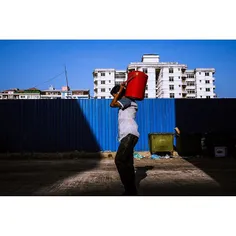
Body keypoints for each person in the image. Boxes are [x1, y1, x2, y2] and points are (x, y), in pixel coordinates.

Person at [110, 83, 140, 196]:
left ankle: (129, 189)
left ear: (120, 93)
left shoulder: (127, 101)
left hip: (129, 134)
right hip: (129, 135)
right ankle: (131, 191)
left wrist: (121, 89)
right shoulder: (127, 102)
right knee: (128, 164)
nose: (114, 98)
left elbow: (112, 104)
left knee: (119, 160)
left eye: (115, 95)